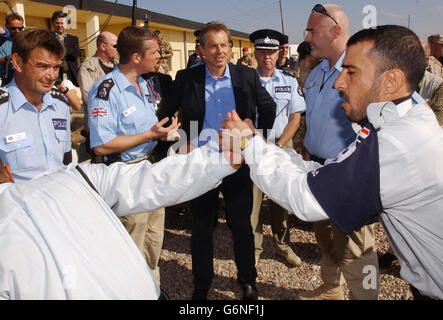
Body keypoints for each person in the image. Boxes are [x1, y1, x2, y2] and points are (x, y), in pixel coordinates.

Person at [221, 24, 443, 300]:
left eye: (351, 73)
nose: (339, 83)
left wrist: (247, 144)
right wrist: (265, 146)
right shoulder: (406, 117)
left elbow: (304, 199)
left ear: (391, 81)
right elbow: (323, 173)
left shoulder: (394, 144)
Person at [0, 141, 240, 299]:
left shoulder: (78, 178)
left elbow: (149, 181)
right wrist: (220, 161)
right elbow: (153, 181)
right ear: (8, 172)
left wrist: (220, 162)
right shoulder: (75, 179)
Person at [159, 21, 276, 300]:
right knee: (201, 228)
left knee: (242, 226)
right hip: (201, 163)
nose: (219, 51)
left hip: (236, 161)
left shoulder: (245, 76)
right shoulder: (187, 78)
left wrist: (257, 134)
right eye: (212, 45)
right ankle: (201, 286)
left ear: (230, 47)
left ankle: (247, 282)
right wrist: (183, 137)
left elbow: (268, 107)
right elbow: (166, 113)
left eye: (224, 44)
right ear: (201, 50)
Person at [88, 26, 179, 282]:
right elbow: (102, 145)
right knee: (132, 244)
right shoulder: (106, 90)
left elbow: (144, 129)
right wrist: (149, 135)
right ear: (137, 57)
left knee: (153, 240)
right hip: (126, 178)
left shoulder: (144, 84)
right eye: (153, 51)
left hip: (150, 171)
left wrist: (162, 133)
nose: (159, 55)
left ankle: (153, 286)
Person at [301, 4, 379, 300]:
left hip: (350, 176)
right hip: (318, 171)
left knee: (357, 250)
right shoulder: (318, 70)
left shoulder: (361, 71)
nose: (307, 36)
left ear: (335, 32)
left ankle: (365, 297)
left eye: (312, 30)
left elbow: (375, 130)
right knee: (327, 240)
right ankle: (332, 288)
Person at [248, 29, 306, 267]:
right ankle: (253, 249)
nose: (267, 57)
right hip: (253, 147)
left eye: (271, 52)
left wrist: (280, 145)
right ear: (255, 53)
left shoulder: (289, 81)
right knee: (252, 203)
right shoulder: (245, 82)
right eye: (262, 52)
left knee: (281, 201)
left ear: (278, 54)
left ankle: (283, 247)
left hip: (282, 147)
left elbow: (295, 118)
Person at [0, 29, 71, 183]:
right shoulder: (2, 109)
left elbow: (66, 159)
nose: (52, 76)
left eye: (56, 67)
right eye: (43, 66)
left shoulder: (61, 104)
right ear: (18, 63)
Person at [77, 31, 118, 162]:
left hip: (119, 127)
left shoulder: (119, 66)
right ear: (103, 46)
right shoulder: (87, 67)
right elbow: (88, 97)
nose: (118, 49)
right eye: (115, 46)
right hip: (99, 128)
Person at [52, 11, 80, 86]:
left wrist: (60, 47)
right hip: (55, 74)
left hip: (71, 74)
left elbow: (75, 55)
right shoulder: (49, 37)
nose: (60, 25)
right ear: (53, 23)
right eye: (57, 23)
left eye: (62, 23)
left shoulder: (73, 39)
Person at [0, 13, 24, 86]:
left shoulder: (26, 41)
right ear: (7, 26)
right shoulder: (2, 40)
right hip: (7, 81)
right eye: (13, 28)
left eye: (20, 28)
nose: (17, 31)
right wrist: (8, 58)